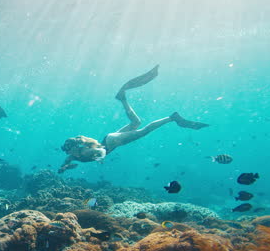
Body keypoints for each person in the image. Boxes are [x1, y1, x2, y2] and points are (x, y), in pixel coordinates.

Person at [58, 65, 208, 173]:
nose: (71, 154)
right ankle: (122, 98)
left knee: (143, 131)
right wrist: (63, 167)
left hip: (112, 142)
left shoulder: (84, 153)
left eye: (71, 151)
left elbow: (99, 151)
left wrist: (100, 157)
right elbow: (68, 160)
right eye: (69, 152)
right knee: (136, 123)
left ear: (77, 147)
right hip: (110, 138)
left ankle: (172, 117)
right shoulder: (74, 155)